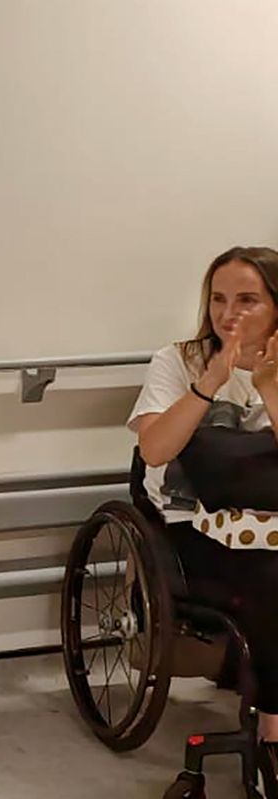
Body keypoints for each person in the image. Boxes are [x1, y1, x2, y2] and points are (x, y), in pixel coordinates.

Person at [130, 245, 278, 746]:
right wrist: (210, 383)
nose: (228, 314)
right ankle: (273, 733)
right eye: (218, 299)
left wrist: (271, 389)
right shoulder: (178, 360)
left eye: (247, 300)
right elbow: (153, 449)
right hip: (192, 529)